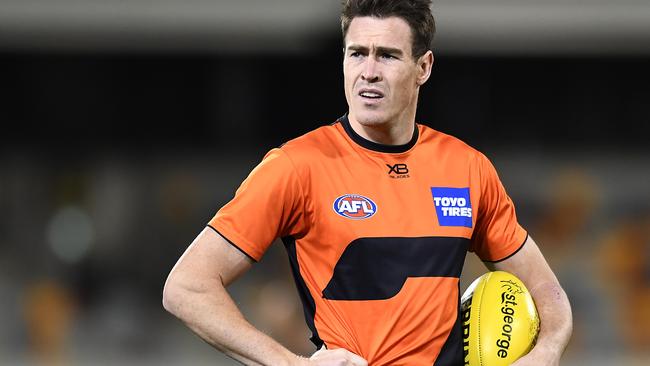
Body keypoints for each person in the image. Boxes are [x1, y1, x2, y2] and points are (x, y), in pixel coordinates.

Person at [162, 0, 573, 365]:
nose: (369, 72)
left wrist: (545, 352)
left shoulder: (468, 169)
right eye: (357, 53)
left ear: (423, 67)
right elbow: (187, 287)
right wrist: (290, 364)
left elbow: (550, 295)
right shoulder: (296, 166)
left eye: (388, 56)